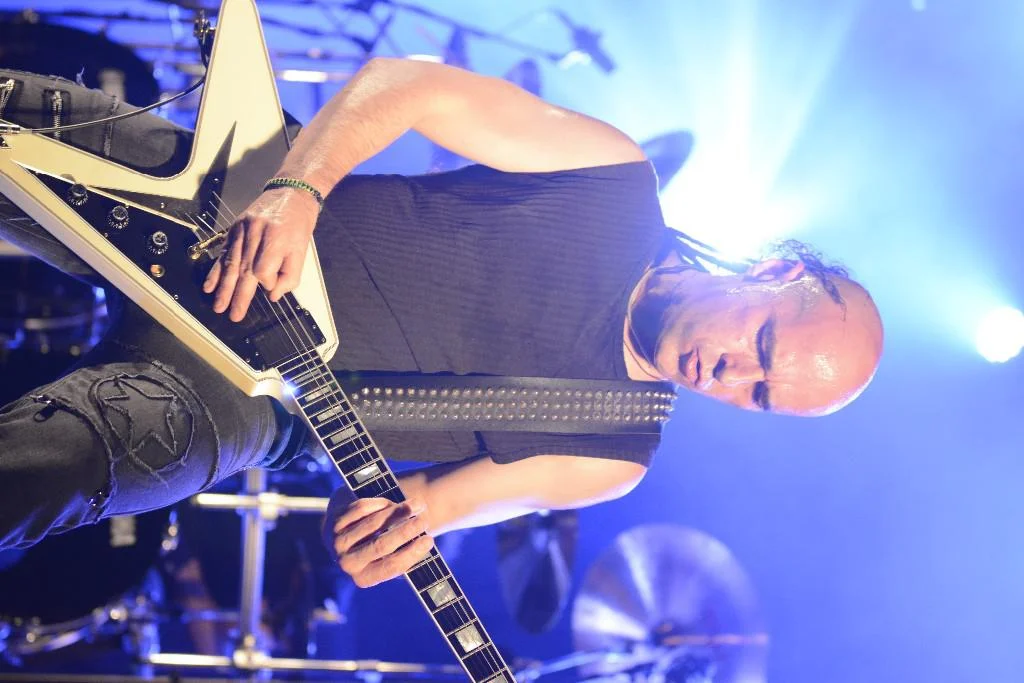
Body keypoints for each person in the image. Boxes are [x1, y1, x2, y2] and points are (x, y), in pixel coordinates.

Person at [0, 58, 883, 589]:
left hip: (245, 398)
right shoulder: (613, 180)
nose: (731, 376)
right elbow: (409, 87)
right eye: (761, 346)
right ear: (776, 273)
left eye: (758, 394)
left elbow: (419, 508)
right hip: (227, 209)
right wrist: (297, 191)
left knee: (44, 474)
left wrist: (379, 538)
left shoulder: (612, 453)